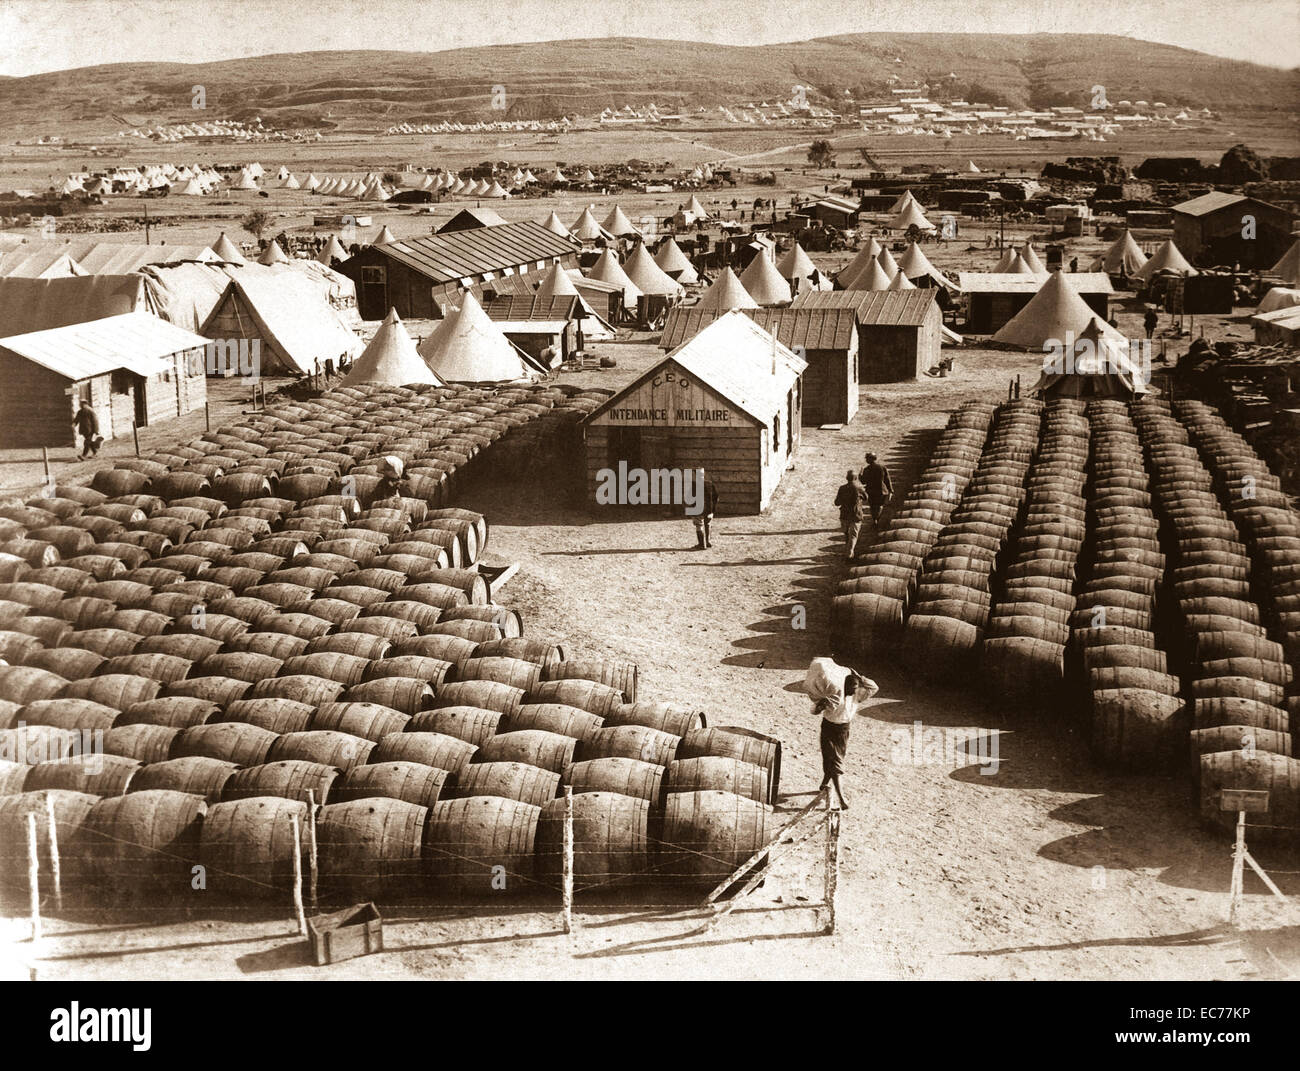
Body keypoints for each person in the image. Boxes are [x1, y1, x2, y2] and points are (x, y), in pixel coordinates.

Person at [805, 657, 879, 810]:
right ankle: (842, 798)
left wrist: (858, 676)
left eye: (856, 686)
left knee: (833, 761)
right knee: (835, 763)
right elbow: (814, 710)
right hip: (829, 729)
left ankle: (825, 782)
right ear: (845, 686)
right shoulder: (834, 697)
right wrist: (819, 707)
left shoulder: (857, 696)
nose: (854, 689)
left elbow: (873, 687)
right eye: (852, 686)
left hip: (844, 731)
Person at [833, 469, 866, 560]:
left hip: (844, 515)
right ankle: (850, 554)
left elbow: (837, 502)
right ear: (856, 478)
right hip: (856, 515)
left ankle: (849, 551)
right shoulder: (859, 488)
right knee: (854, 535)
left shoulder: (842, 488)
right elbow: (866, 497)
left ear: (847, 478)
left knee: (847, 534)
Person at [859, 451, 893, 525]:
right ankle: (878, 518)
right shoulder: (882, 467)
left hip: (871, 491)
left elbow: (863, 481)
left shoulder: (867, 469)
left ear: (870, 459)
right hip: (882, 490)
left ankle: (875, 519)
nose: (866, 460)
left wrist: (860, 474)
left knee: (872, 506)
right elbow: (887, 479)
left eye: (867, 458)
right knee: (880, 505)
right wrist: (891, 490)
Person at [687, 468, 718, 549]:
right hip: (709, 509)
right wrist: (713, 508)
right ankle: (708, 542)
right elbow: (716, 497)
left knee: (699, 525)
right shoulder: (710, 484)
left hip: (698, 509)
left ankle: (701, 544)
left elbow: (690, 498)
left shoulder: (694, 485)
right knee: (708, 524)